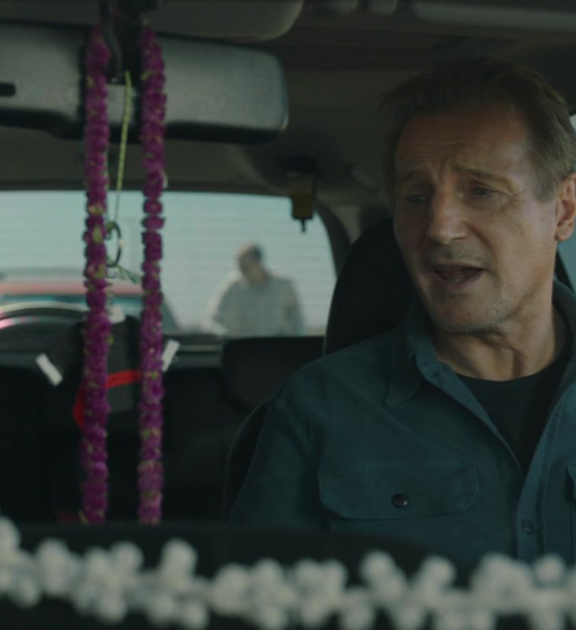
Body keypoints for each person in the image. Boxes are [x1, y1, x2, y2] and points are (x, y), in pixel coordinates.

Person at [230, 58, 576, 564]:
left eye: (481, 191)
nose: (439, 227)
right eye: (416, 197)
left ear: (564, 211)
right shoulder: (316, 410)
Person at [204, 243, 303, 337]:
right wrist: (223, 335)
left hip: (276, 345)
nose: (242, 270)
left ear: (259, 262)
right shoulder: (233, 285)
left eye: (245, 266)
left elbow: (296, 317)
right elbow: (212, 319)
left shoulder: (283, 284)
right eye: (240, 266)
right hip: (243, 345)